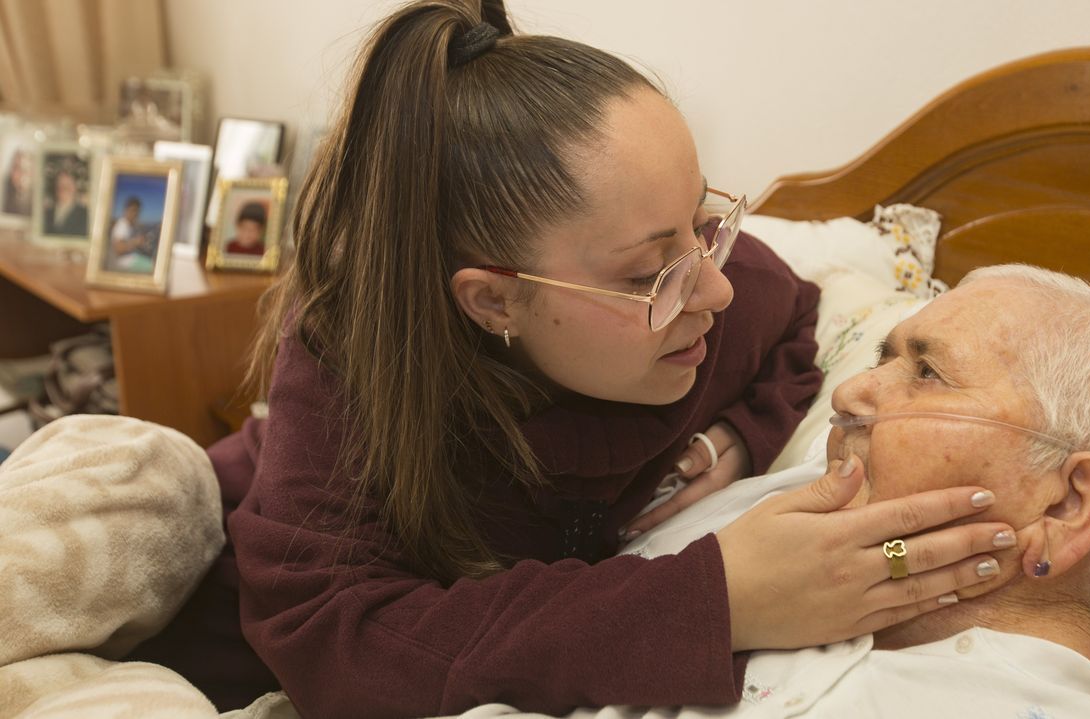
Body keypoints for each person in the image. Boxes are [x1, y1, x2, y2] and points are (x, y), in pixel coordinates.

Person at [126, 2, 1016, 715]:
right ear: (495, 300)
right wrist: (713, 601)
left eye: (705, 224)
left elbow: (792, 322)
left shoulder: (709, 285)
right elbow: (336, 645)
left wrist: (733, 442)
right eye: (650, 272)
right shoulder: (349, 365)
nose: (713, 290)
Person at [558, 264, 1090, 718]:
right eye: (880, 361)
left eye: (927, 372)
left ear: (1066, 503)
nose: (848, 394)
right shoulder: (773, 512)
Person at [109, 196, 155, 273]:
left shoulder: (128, 225)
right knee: (154, 266)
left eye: (137, 211)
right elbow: (119, 249)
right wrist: (136, 242)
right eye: (133, 210)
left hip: (130, 257)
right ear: (126, 210)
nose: (135, 214)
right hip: (124, 262)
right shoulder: (122, 225)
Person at [44, 166, 89, 237]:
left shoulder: (85, 215)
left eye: (67, 185)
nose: (63, 188)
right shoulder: (46, 213)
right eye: (60, 184)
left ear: (75, 188)